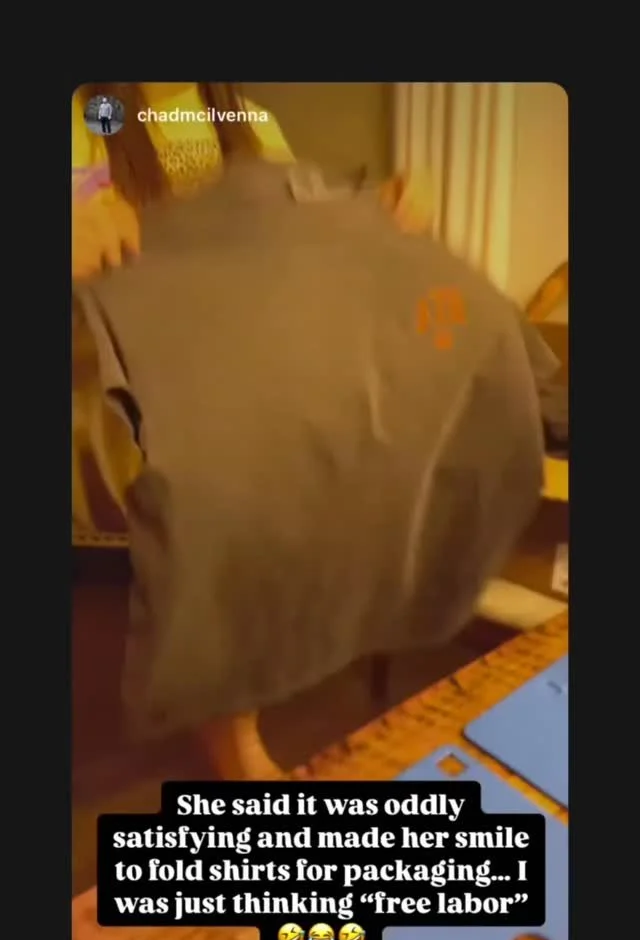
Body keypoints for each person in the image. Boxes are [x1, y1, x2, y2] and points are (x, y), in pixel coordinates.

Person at [74, 154, 560, 782]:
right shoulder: (93, 125)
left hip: (252, 336)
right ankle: (231, 722)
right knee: (235, 465)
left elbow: (290, 220)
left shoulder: (239, 120)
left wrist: (375, 207)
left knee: (391, 407)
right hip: (148, 352)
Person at [72, 83, 435, 544]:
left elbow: (297, 278)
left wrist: (377, 222)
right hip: (119, 503)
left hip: (244, 484)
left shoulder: (252, 126)